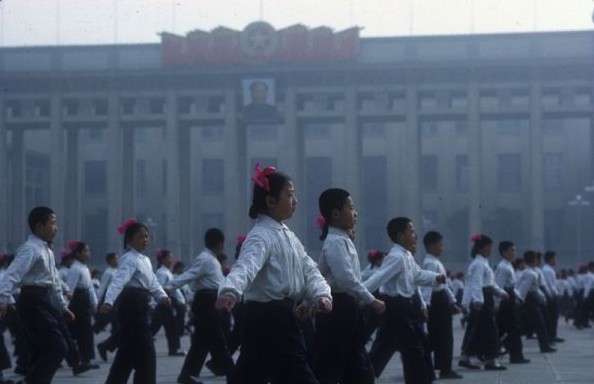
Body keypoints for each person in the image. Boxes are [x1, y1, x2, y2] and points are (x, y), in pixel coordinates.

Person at [216, 164, 332, 384]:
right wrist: (230, 291)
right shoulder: (261, 236)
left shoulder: (289, 237)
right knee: (296, 374)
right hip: (266, 316)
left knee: (251, 375)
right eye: (289, 195)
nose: (295, 201)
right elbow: (245, 266)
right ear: (270, 201)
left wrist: (321, 294)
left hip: (281, 317)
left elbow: (310, 270)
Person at [313, 188, 385, 384]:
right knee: (342, 363)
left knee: (349, 363)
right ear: (335, 214)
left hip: (344, 307)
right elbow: (346, 280)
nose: (356, 213)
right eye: (351, 207)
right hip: (339, 308)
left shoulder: (341, 240)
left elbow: (319, 273)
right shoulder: (335, 242)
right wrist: (372, 300)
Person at [364, 217, 446, 384]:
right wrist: (359, 293)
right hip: (397, 308)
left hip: (405, 307)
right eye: (411, 232)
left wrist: (436, 278)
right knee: (413, 350)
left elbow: (417, 275)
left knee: (387, 347)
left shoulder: (406, 256)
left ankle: (361, 376)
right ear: (400, 236)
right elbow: (378, 278)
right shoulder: (397, 257)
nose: (415, 236)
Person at [0, 207, 77, 384]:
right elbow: (12, 274)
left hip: (43, 301)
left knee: (46, 349)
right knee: (57, 347)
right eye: (52, 223)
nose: (56, 228)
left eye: (56, 223)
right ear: (39, 226)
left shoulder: (47, 251)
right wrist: (2, 299)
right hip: (31, 301)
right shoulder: (30, 249)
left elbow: (54, 283)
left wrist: (62, 307)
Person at [99, 219, 171, 384]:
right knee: (146, 350)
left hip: (140, 303)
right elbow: (118, 281)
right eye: (140, 237)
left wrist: (161, 296)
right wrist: (108, 301)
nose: (145, 240)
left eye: (147, 237)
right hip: (131, 304)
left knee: (128, 350)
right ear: (130, 239)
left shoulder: (144, 260)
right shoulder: (128, 259)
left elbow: (152, 282)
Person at [165, 228, 234, 384]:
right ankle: (234, 375)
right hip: (207, 303)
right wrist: (167, 288)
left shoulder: (211, 259)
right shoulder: (206, 259)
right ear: (219, 244)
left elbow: (205, 282)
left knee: (200, 343)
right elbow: (189, 276)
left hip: (210, 301)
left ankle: (186, 376)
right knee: (218, 340)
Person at [458, 234, 508, 371]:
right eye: (488, 247)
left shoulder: (482, 263)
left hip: (486, 297)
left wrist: (501, 293)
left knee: (479, 330)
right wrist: (478, 300)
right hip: (483, 299)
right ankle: (491, 360)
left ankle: (465, 357)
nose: (490, 250)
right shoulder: (478, 264)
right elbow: (476, 283)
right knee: (490, 330)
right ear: (480, 248)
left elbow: (490, 284)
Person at [420, 231, 463, 380]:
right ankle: (445, 368)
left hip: (440, 299)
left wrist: (452, 302)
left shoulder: (435, 262)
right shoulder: (431, 263)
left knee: (440, 336)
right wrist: (425, 305)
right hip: (436, 301)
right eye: (440, 244)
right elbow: (427, 285)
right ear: (431, 245)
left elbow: (445, 285)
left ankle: (441, 365)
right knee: (443, 337)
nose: (442, 248)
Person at [65, 240, 99, 369]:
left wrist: (94, 303)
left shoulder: (84, 268)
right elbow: (70, 289)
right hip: (77, 302)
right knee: (83, 331)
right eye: (85, 251)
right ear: (78, 254)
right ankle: (83, 359)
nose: (88, 253)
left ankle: (85, 359)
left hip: (83, 300)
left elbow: (90, 288)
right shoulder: (75, 269)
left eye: (88, 251)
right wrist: (65, 306)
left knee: (84, 332)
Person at [494, 241, 530, 364]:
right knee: (513, 328)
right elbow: (499, 286)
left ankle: (486, 349)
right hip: (506, 301)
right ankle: (516, 355)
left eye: (514, 250)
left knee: (506, 328)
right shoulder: (503, 267)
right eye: (511, 250)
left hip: (510, 298)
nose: (514, 252)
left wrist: (519, 296)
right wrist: (497, 303)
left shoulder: (509, 265)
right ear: (504, 252)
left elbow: (512, 286)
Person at [516, 250, 556, 353]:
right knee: (539, 324)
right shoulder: (530, 273)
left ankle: (545, 345)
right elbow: (524, 289)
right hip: (529, 300)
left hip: (532, 298)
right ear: (534, 260)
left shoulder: (531, 272)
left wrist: (542, 297)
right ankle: (544, 346)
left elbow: (535, 288)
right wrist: (519, 300)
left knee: (538, 324)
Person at [151, 249, 186, 357]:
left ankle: (109, 345)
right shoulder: (162, 273)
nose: (171, 260)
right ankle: (174, 349)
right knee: (172, 327)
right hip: (165, 301)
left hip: (165, 302)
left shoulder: (166, 271)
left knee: (153, 327)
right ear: (162, 259)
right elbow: (160, 287)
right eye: (169, 258)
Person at [542, 251, 564, 343]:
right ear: (550, 259)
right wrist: (555, 293)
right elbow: (550, 284)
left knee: (554, 316)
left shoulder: (549, 269)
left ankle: (553, 335)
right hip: (550, 296)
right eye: (555, 258)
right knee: (552, 316)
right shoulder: (547, 270)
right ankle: (551, 336)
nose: (556, 261)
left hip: (552, 294)